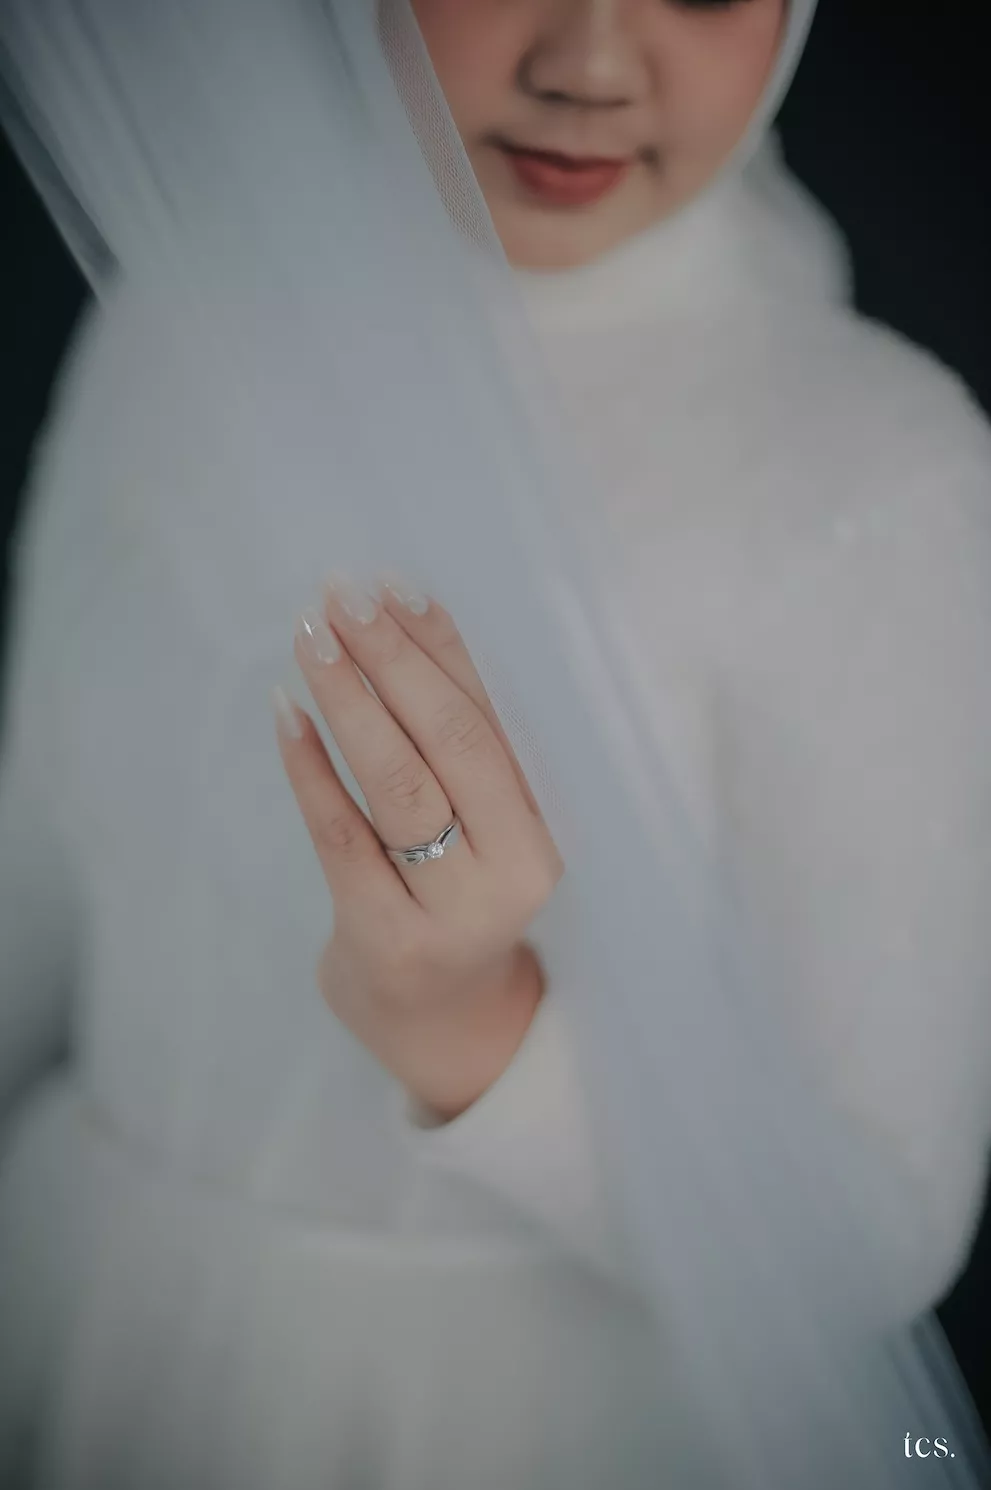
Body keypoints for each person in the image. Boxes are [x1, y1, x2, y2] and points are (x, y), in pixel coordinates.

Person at [2, 1, 990, 1486]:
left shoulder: (874, 470)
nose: (587, 68)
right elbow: (35, 873)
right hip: (83, 1329)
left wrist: (471, 1026)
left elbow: (878, 1230)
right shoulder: (173, 315)